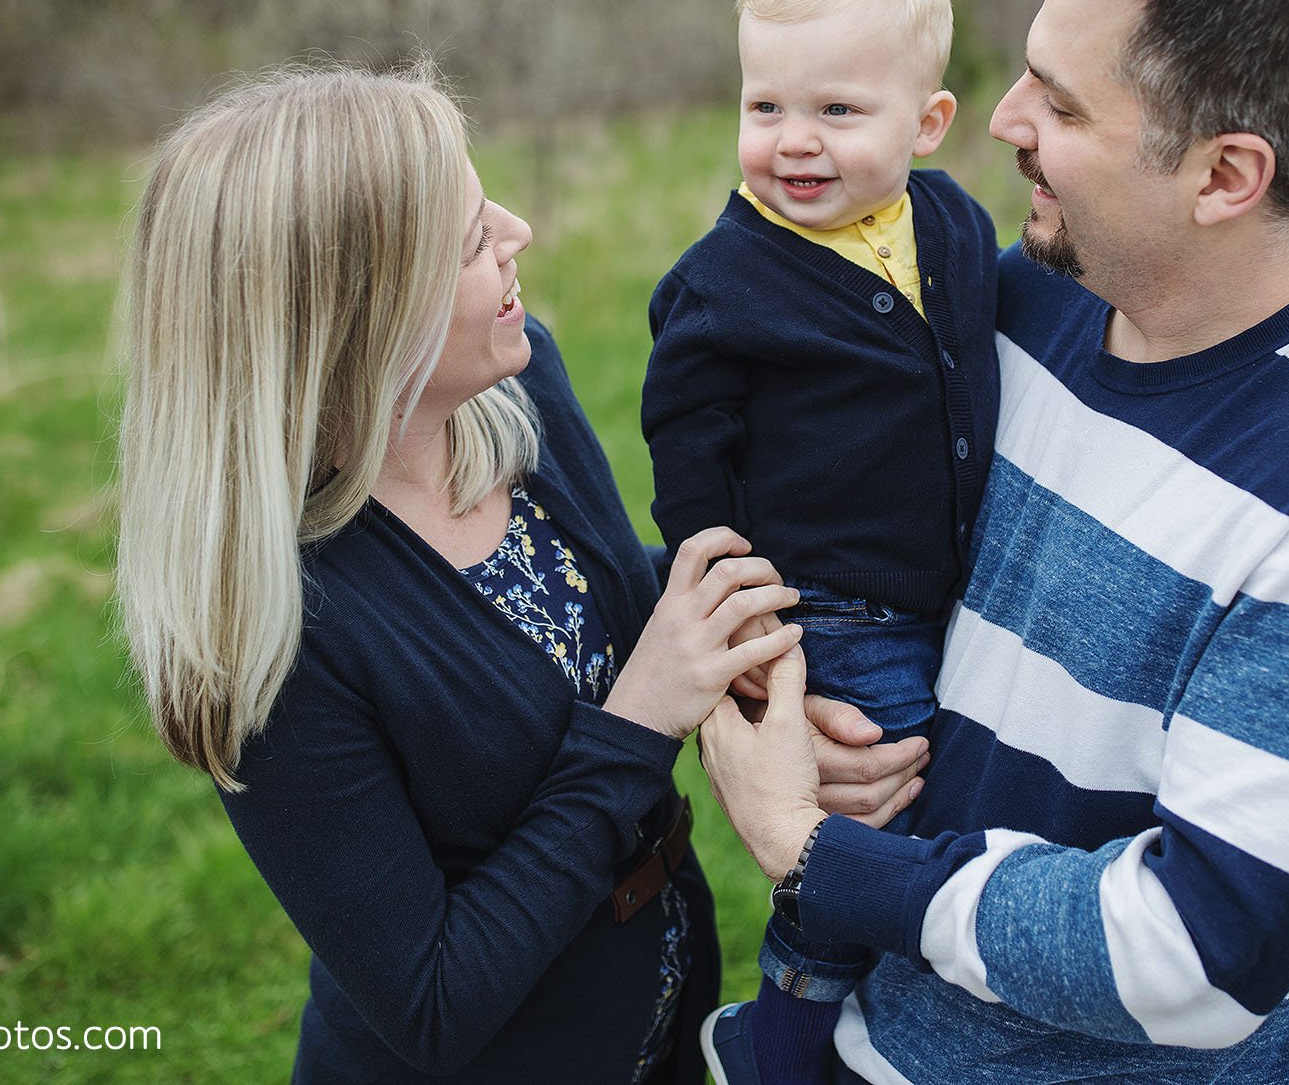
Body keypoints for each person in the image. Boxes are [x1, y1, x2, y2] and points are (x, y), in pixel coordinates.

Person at [699, 0, 1289, 1084]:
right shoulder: (1003, 308)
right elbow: (827, 527)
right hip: (840, 1046)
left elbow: (1191, 957)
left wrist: (805, 844)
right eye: (1027, 69)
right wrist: (800, 709)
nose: (1004, 119)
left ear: (1224, 176)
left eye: (1063, 106)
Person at [112, 64, 814, 1083]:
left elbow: (583, 610)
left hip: (661, 1015)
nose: (516, 231)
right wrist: (643, 714)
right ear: (355, 315)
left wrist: (742, 624)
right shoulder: (273, 634)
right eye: (470, 238)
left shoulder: (517, 395)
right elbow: (434, 1000)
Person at [639, 0, 999, 1085]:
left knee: (957, 789)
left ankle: (902, 995)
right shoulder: (721, 287)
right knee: (864, 820)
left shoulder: (950, 228)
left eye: (837, 111)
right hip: (829, 607)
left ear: (924, 125)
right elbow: (689, 470)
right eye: (764, 107)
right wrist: (736, 639)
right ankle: (782, 1032)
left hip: (953, 579)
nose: (792, 141)